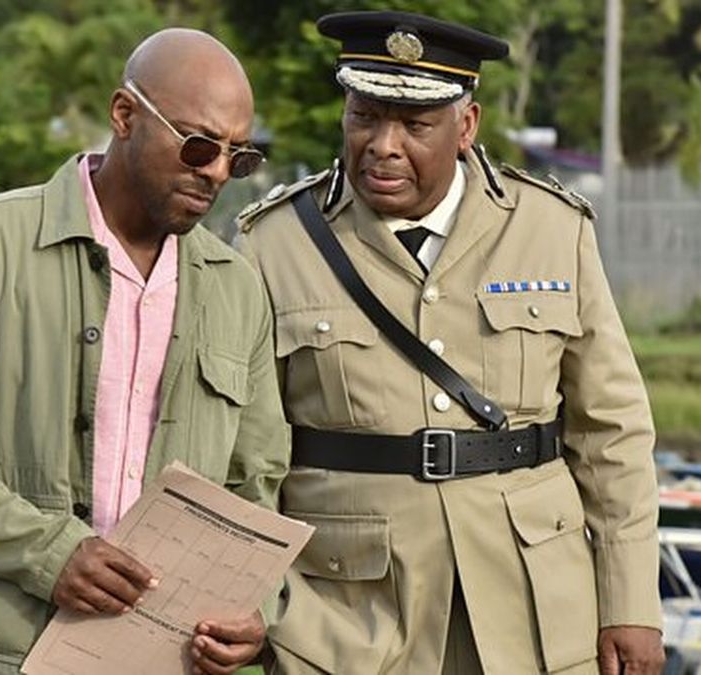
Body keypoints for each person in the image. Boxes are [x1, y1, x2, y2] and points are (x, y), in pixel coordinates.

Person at [236, 11, 664, 675]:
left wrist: (631, 600)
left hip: (534, 608)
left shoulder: (551, 227)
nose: (382, 144)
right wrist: (259, 605)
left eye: (413, 124)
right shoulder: (274, 244)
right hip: (347, 620)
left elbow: (613, 432)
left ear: (465, 127)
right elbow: (248, 455)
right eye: (364, 116)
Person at [0, 28, 289, 675]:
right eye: (199, 144)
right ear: (125, 115)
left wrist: (254, 605)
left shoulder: (237, 289)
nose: (214, 172)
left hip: (156, 659)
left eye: (239, 158)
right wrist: (50, 552)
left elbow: (255, 482)